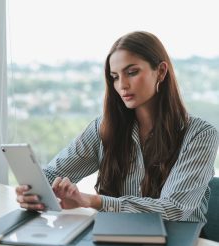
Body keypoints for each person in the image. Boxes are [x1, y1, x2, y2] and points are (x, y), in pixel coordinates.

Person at [16, 31, 219, 222]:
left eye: (132, 72)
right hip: (114, 237)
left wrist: (93, 201)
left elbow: (173, 209)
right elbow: (53, 174)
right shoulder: (104, 128)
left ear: (161, 71)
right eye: (114, 77)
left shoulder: (200, 135)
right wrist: (33, 192)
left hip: (177, 241)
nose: (122, 85)